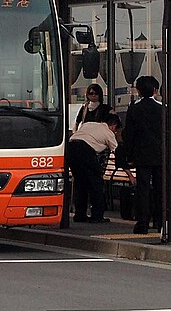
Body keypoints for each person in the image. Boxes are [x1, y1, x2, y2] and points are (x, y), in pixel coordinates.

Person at [120, 75, 163, 235]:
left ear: (138, 91)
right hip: (159, 155)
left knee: (143, 189)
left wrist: (129, 155)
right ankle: (160, 221)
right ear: (155, 90)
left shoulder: (134, 109)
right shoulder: (161, 108)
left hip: (142, 155)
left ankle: (143, 222)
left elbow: (129, 134)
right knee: (160, 188)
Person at [68, 113, 121, 223]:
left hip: (71, 148)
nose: (115, 132)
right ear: (113, 125)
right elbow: (117, 151)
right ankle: (97, 216)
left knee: (80, 183)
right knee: (96, 184)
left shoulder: (88, 124)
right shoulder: (108, 133)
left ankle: (80, 214)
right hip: (85, 151)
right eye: (115, 130)